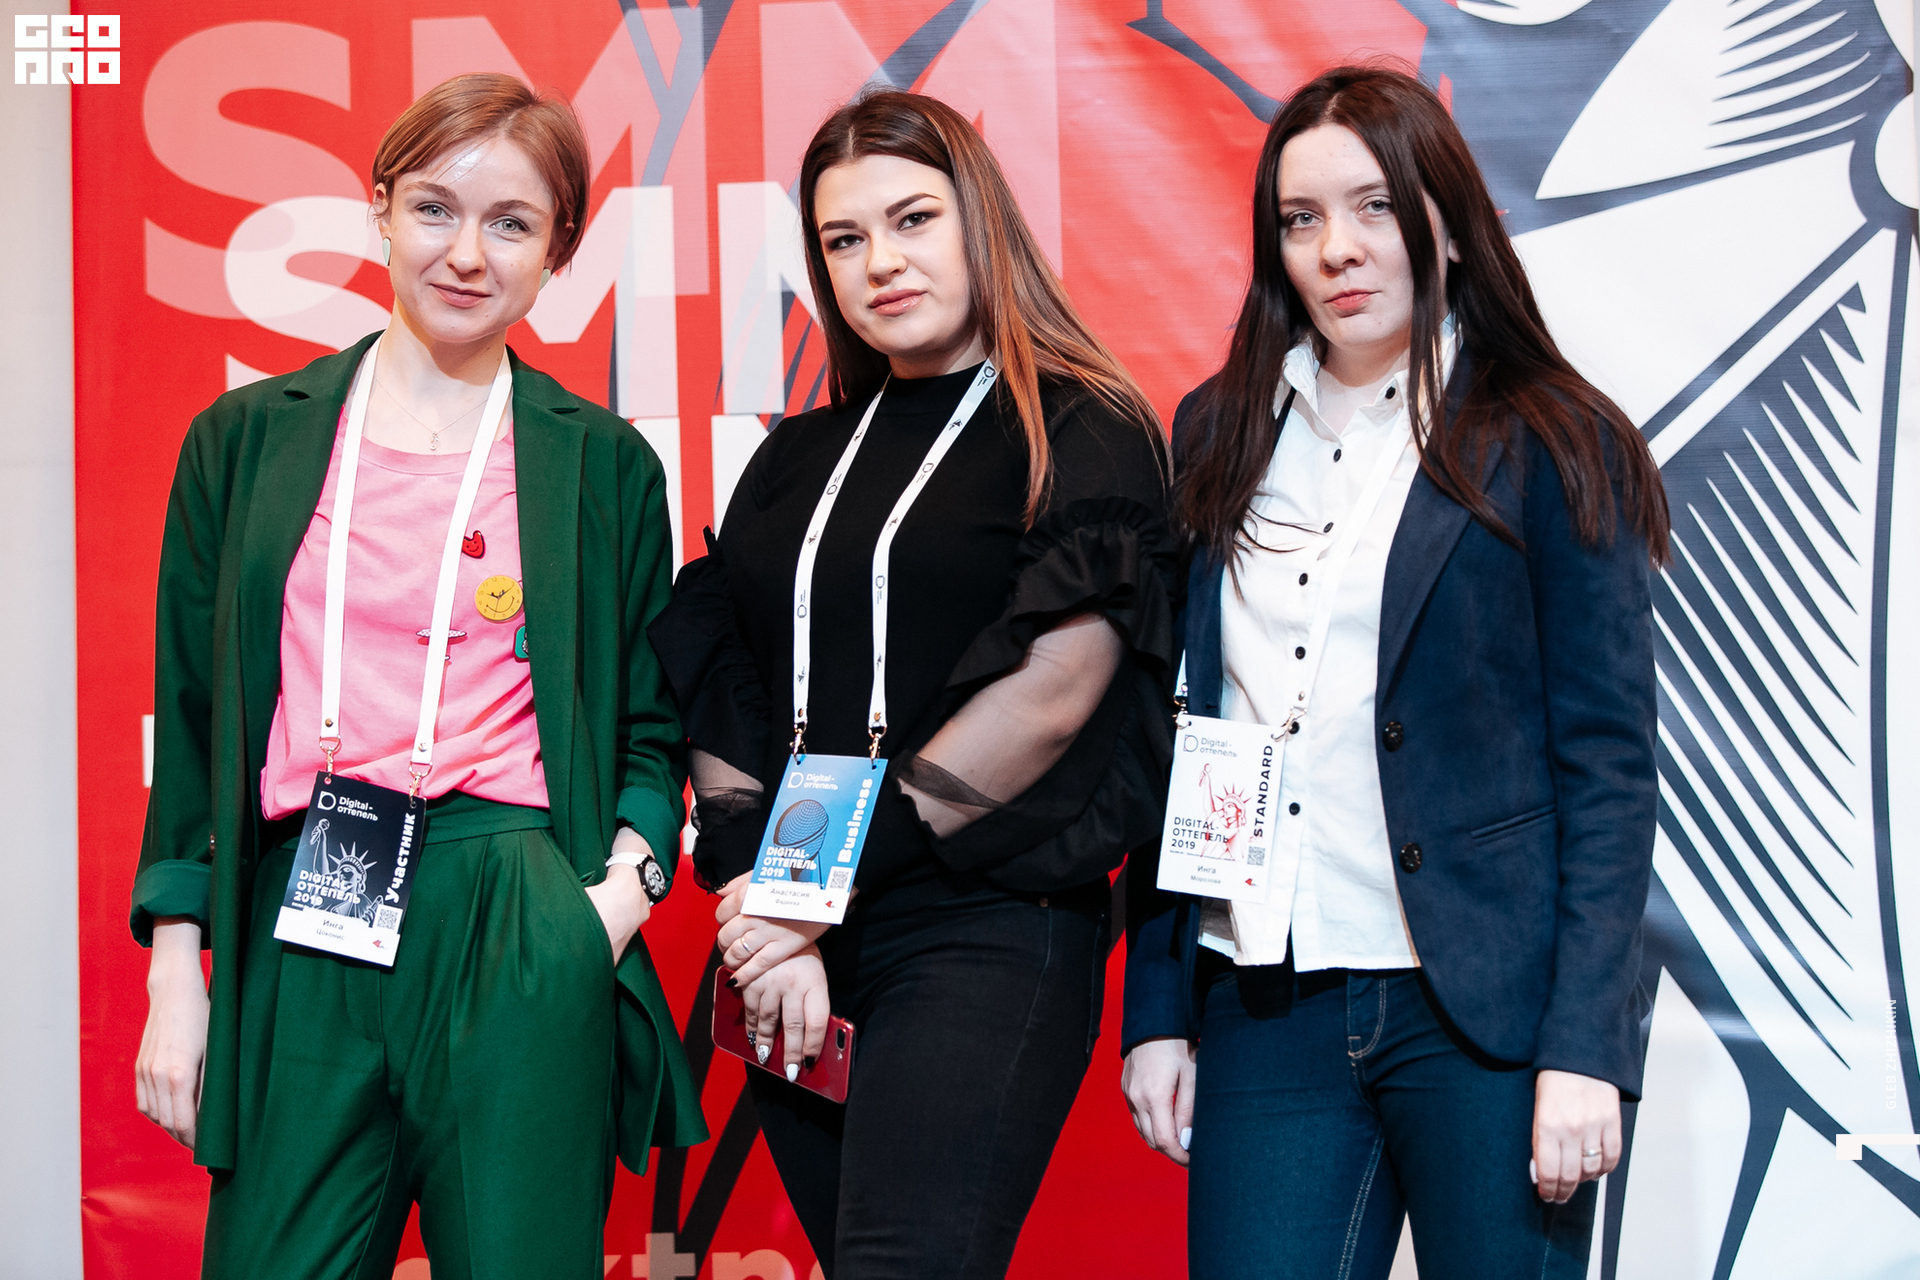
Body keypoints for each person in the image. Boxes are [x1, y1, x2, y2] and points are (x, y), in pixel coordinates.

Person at [130, 73, 705, 1279]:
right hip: (309, 895)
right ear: (380, 209)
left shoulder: (603, 464)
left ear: (558, 252)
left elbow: (653, 732)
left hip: (515, 899)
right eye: (436, 208)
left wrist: (604, 910)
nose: (468, 253)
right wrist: (178, 971)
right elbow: (192, 718)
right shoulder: (247, 439)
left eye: (513, 223)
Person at [1120, 64, 1669, 1279]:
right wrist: (1159, 1002)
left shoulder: (1552, 434)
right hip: (1269, 998)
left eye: (1374, 205)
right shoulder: (1217, 428)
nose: (1338, 248)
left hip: (1486, 1011)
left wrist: (1587, 1043)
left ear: (1447, 222)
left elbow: (1609, 766)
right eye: (1301, 218)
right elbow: (1191, 727)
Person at [648, 89, 1174, 1279]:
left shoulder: (1083, 427)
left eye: (913, 219)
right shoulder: (793, 458)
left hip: (983, 924)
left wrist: (809, 889)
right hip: (793, 935)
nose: (880, 261)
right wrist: (762, 899)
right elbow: (723, 674)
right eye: (844, 238)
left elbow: (1050, 696)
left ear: (981, 219)